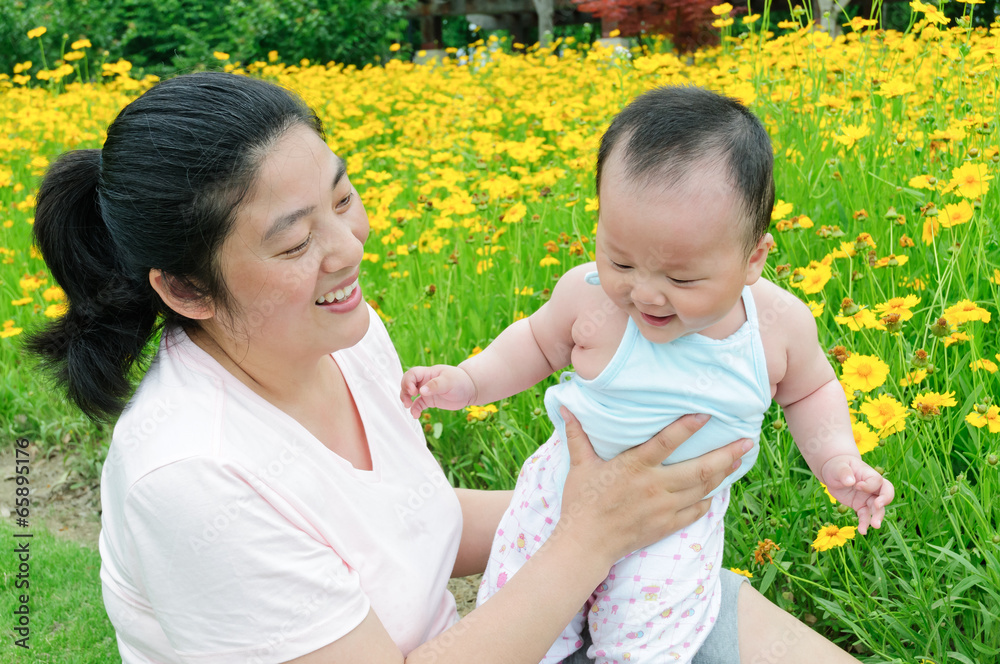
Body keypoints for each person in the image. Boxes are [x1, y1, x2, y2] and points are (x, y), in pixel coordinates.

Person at [24, 71, 867, 664]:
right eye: (294, 240)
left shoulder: (339, 337)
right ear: (187, 289)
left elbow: (408, 519)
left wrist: (628, 507)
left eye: (343, 198)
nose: (348, 247)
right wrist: (593, 531)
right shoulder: (189, 478)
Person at [401, 85, 895, 664]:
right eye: (621, 260)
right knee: (526, 616)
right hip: (557, 496)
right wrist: (469, 382)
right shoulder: (588, 298)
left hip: (675, 521)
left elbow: (810, 391)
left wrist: (836, 457)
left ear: (754, 258)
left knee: (648, 642)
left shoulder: (777, 325)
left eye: (682, 280)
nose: (646, 292)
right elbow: (534, 343)